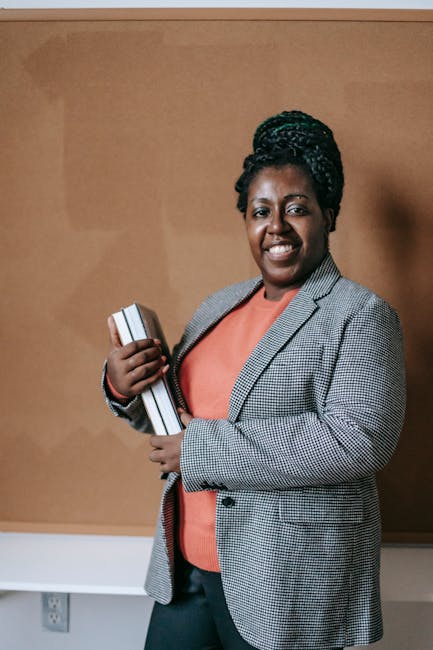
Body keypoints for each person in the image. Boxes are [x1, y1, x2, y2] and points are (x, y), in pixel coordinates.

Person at [103, 110, 406, 650]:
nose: (276, 227)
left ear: (329, 215)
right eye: (259, 211)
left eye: (297, 209)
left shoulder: (360, 314)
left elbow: (359, 439)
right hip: (185, 572)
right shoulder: (218, 306)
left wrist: (203, 448)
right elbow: (178, 422)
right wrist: (125, 385)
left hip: (287, 584)